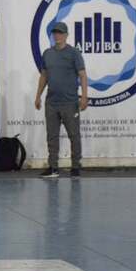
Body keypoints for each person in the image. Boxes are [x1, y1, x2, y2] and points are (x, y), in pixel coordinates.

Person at [34, 21, 88, 178]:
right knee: (52, 136)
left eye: (60, 33)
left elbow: (83, 75)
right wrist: (38, 96)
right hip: (51, 103)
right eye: (55, 33)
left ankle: (76, 167)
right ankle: (53, 168)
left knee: (74, 135)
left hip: (70, 102)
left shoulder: (74, 53)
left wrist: (84, 97)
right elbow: (44, 75)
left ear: (66, 35)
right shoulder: (47, 54)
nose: (57, 35)